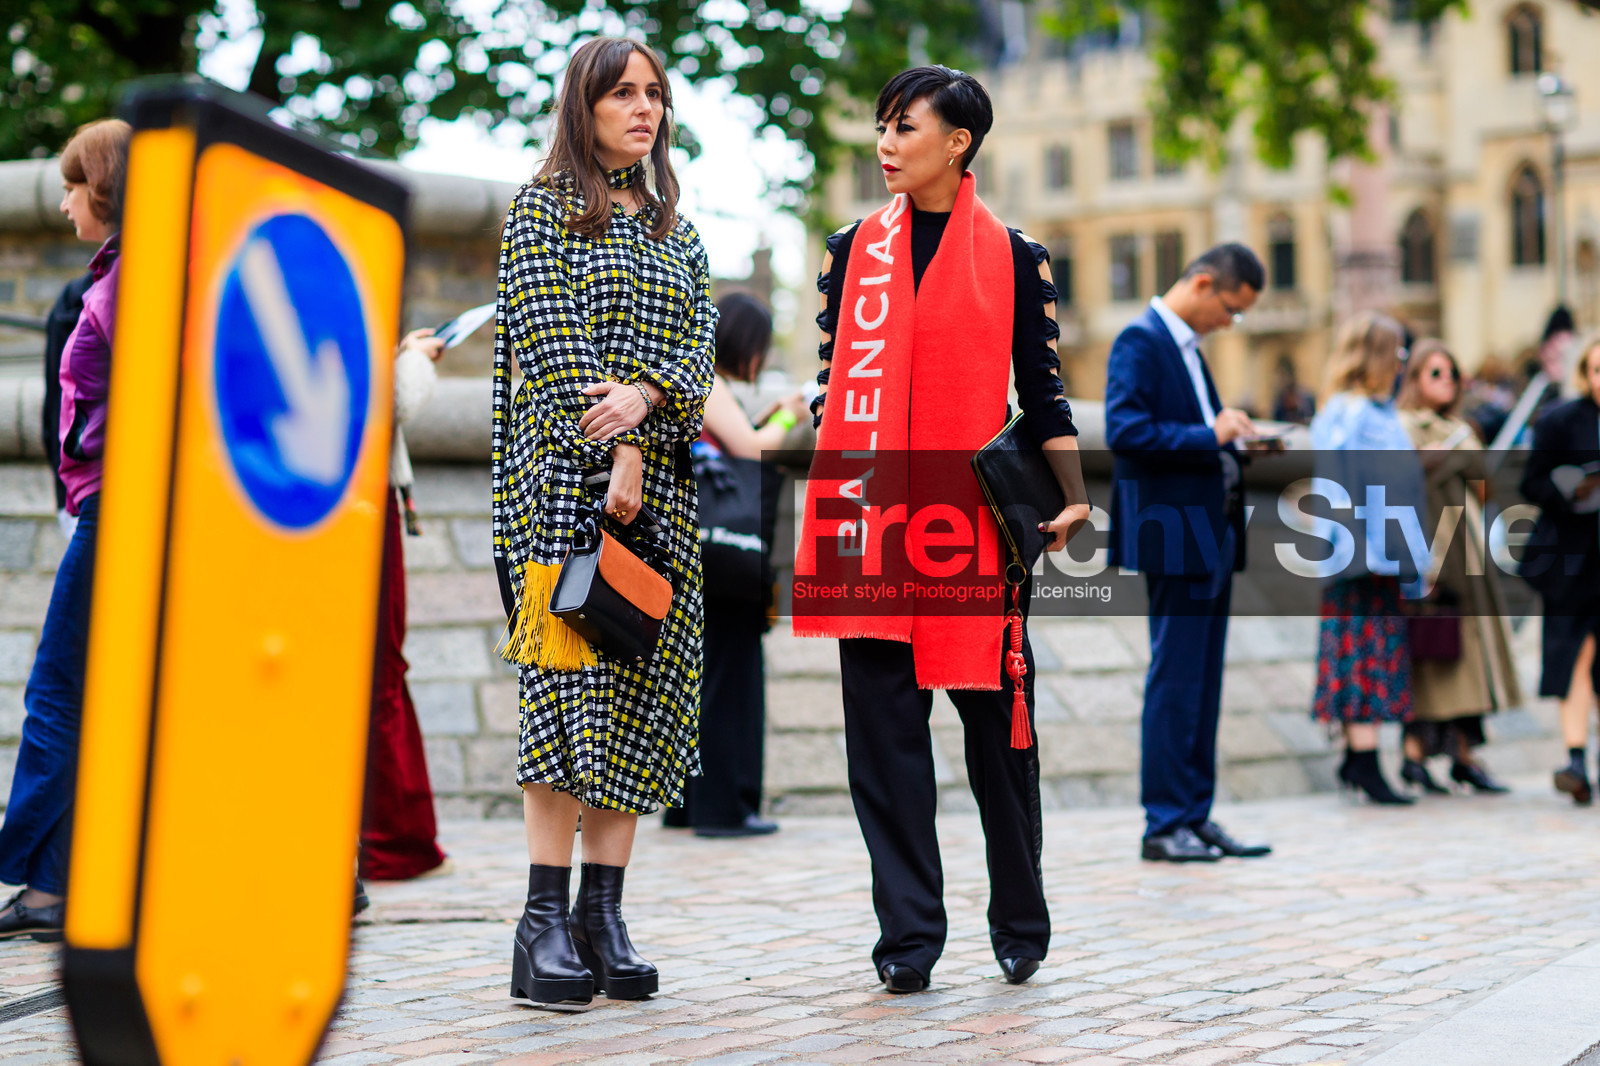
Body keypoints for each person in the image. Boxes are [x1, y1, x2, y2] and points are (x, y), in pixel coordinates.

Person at [800, 65, 1090, 994]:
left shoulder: (1014, 253)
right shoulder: (852, 252)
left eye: (905, 126)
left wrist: (1072, 492)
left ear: (958, 141)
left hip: (973, 530)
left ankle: (1020, 920)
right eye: (882, 125)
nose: (886, 143)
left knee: (1000, 737)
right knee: (884, 745)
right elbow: (831, 374)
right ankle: (909, 940)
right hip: (872, 525)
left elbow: (1041, 390)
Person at [490, 36, 716, 1005]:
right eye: (622, 93)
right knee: (564, 702)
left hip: (659, 503)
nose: (643, 109)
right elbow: (548, 351)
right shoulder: (540, 213)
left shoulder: (680, 232)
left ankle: (602, 912)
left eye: (654, 94)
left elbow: (697, 350)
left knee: (637, 700)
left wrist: (652, 400)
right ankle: (540, 921)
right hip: (557, 499)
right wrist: (614, 442)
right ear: (581, 105)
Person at [0, 118, 130, 940]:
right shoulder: (123, 274)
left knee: (57, 694)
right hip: (108, 506)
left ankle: (33, 872)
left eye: (73, 186)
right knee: (84, 696)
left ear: (104, 190)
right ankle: (50, 891)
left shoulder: (130, 286)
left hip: (118, 512)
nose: (62, 202)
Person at [1105, 243, 1273, 863]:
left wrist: (1229, 440)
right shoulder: (1140, 339)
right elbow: (1125, 430)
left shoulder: (1186, 349)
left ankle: (1195, 816)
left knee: (1202, 681)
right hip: (1174, 535)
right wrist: (1212, 433)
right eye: (1232, 309)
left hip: (1211, 533)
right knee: (1176, 678)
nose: (1230, 323)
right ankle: (1165, 822)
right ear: (1203, 284)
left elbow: (1187, 436)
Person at [664, 292, 802, 837]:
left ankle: (692, 805)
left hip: (700, 552)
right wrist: (791, 413)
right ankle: (724, 808)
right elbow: (748, 449)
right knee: (730, 677)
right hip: (725, 558)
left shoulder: (691, 377)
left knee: (704, 677)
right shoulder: (707, 378)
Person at [1395, 340, 1520, 794]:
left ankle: (1464, 754)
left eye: (1450, 372)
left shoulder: (1461, 428)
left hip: (1465, 549)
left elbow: (1487, 491)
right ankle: (1414, 755)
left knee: (1469, 655)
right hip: (1429, 550)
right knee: (1430, 650)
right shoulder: (1404, 426)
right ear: (1414, 379)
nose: (1445, 380)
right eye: (1434, 372)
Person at [1308, 312, 1421, 805]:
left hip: (1382, 558)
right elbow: (1341, 491)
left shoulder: (1377, 413)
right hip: (1362, 560)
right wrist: (1360, 553)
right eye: (1395, 354)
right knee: (1360, 659)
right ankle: (1366, 762)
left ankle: (1360, 761)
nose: (1400, 365)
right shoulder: (1350, 414)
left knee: (1374, 657)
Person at [358, 328, 452, 881]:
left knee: (381, 670)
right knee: (380, 671)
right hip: (360, 504)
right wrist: (413, 362)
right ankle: (393, 841)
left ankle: (395, 837)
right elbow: (385, 401)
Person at [1519, 336, 1600, 804]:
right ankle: (1575, 759)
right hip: (1572, 562)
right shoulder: (1560, 420)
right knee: (1577, 659)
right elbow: (1532, 480)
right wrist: (1572, 491)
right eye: (1596, 368)